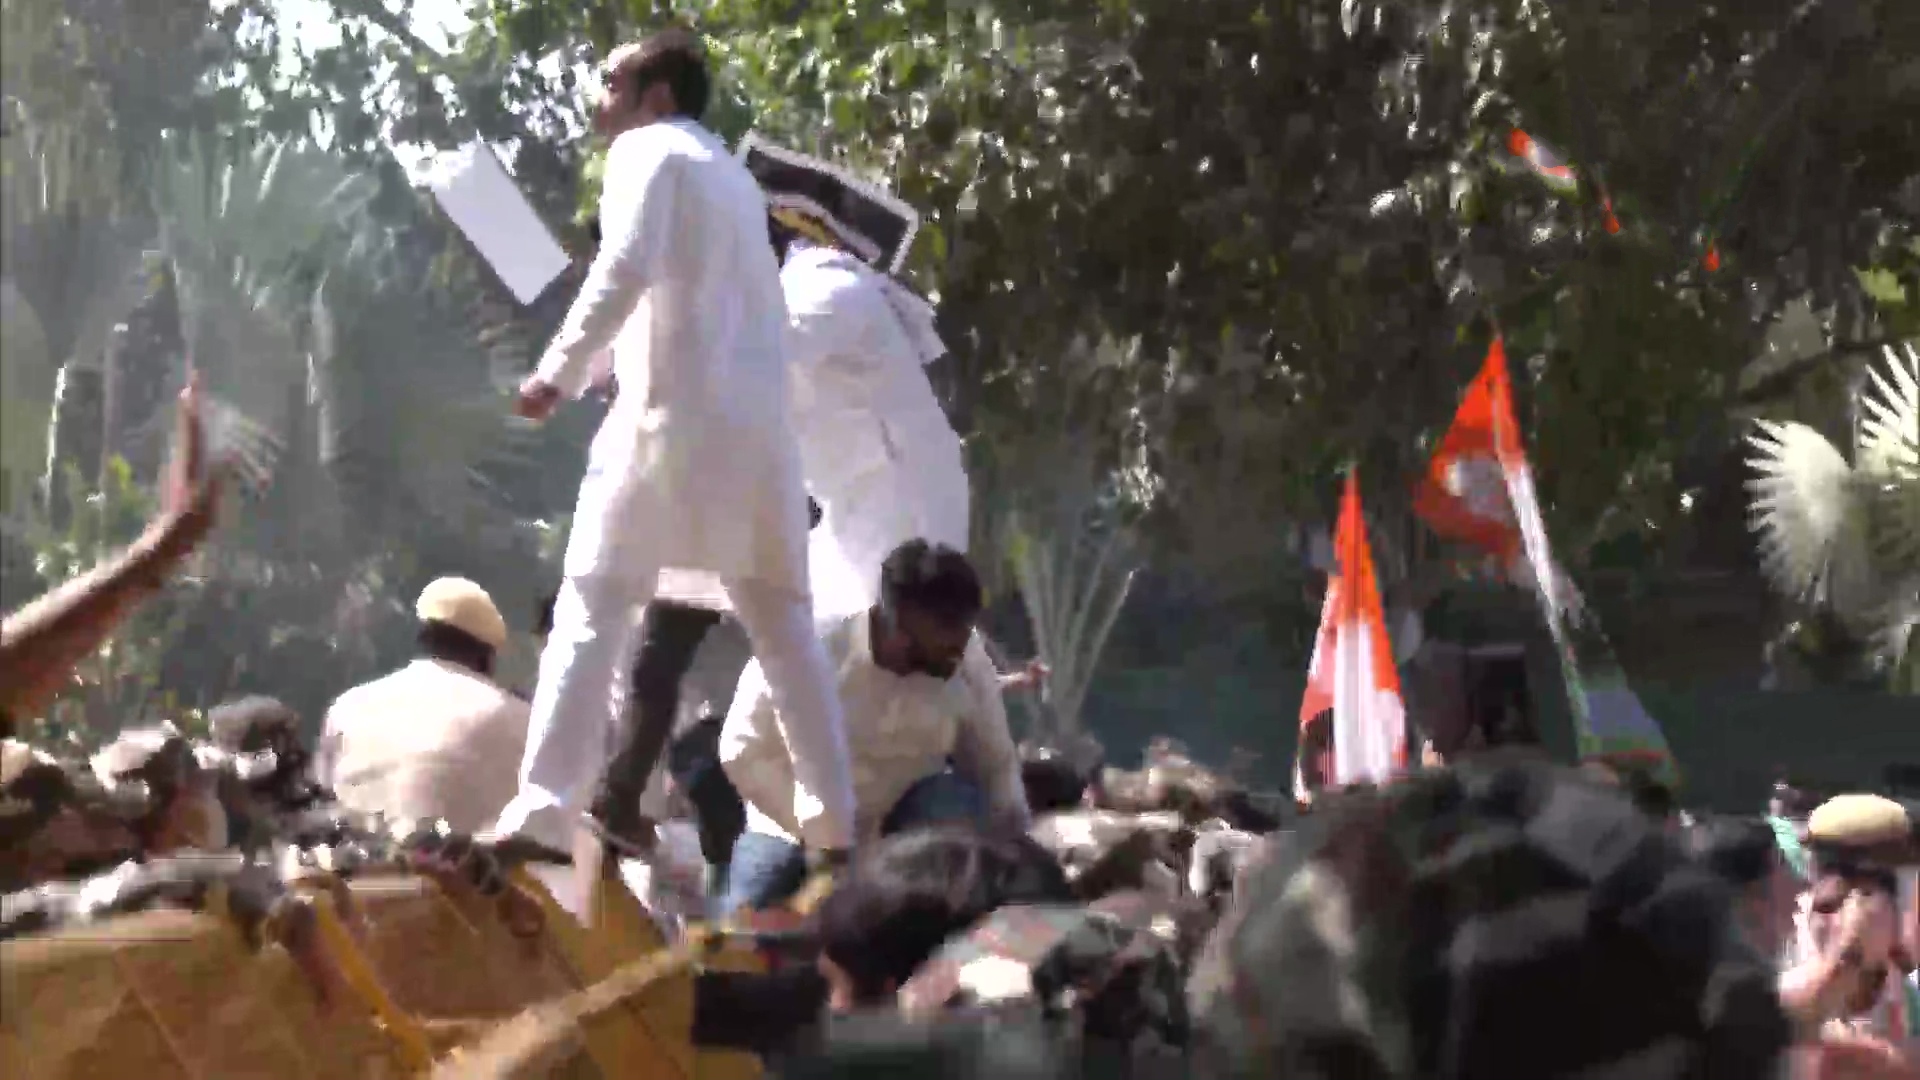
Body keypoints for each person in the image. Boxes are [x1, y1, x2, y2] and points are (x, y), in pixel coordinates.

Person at [501, 29, 857, 875]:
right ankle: (837, 824)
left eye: (612, 82)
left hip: (669, 431)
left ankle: (547, 809)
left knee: (592, 606)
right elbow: (666, 304)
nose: (599, 99)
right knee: (783, 627)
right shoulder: (734, 183)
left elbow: (625, 266)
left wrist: (552, 373)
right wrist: (592, 366)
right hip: (760, 443)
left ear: (657, 96)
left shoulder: (645, 151)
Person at [718, 541, 1029, 915]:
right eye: (944, 634)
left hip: (903, 821)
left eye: (964, 631)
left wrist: (1017, 852)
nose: (958, 652)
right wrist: (825, 838)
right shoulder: (808, 650)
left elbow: (994, 763)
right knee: (747, 920)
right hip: (794, 829)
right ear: (896, 621)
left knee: (956, 822)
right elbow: (740, 750)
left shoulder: (965, 659)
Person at [317, 577, 529, 835]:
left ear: (422, 638)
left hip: (356, 867)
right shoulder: (518, 717)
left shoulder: (348, 706)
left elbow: (324, 797)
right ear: (488, 657)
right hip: (462, 870)